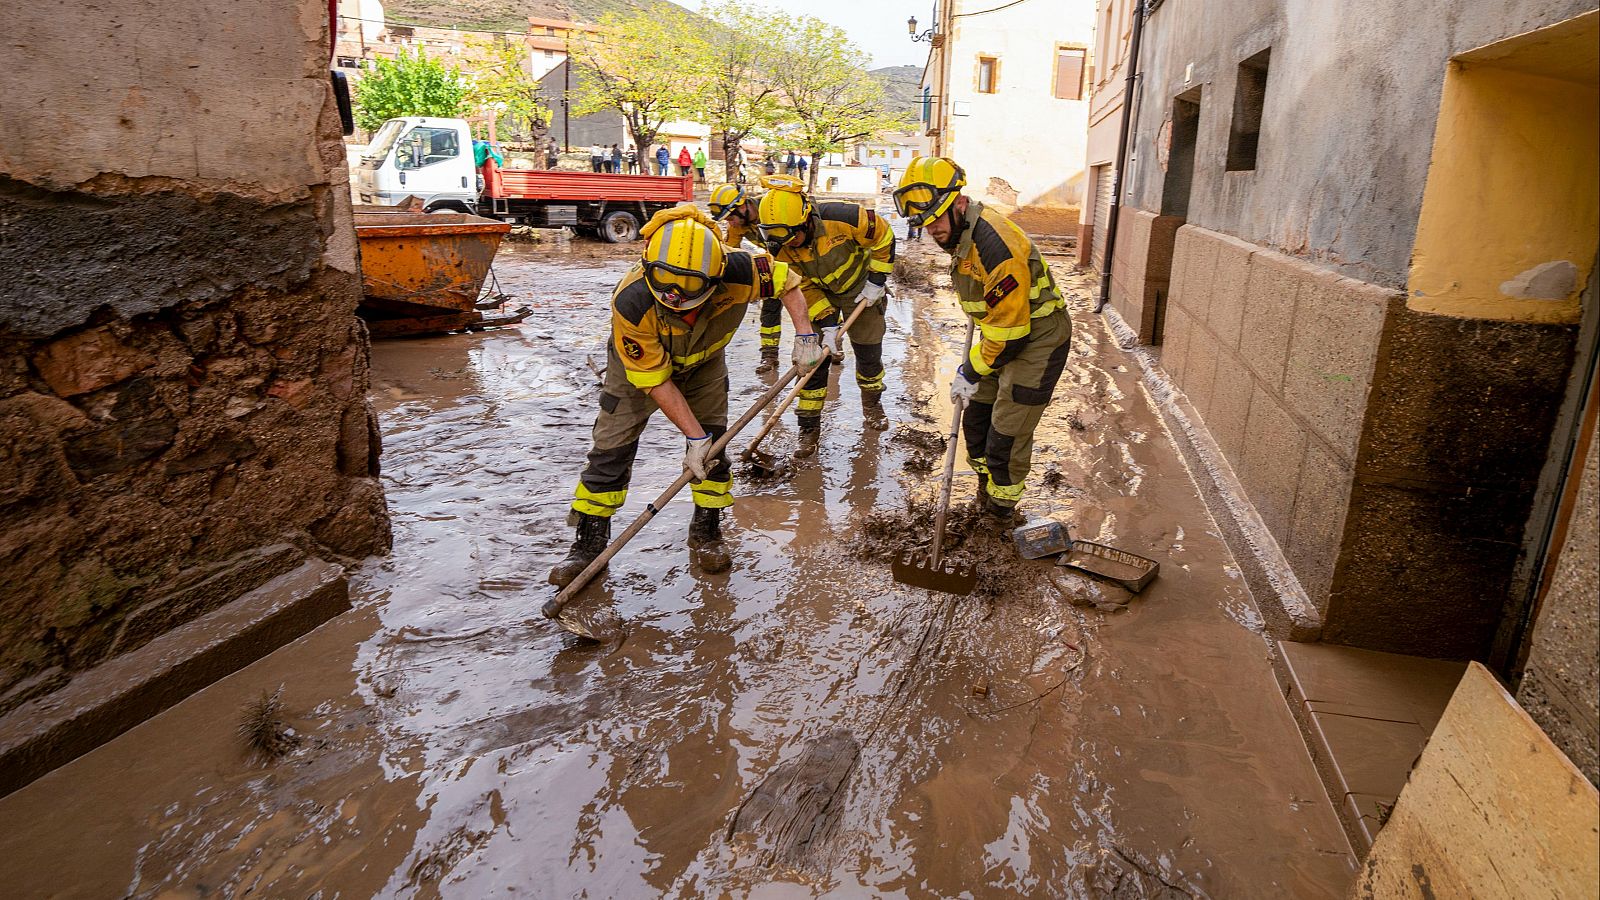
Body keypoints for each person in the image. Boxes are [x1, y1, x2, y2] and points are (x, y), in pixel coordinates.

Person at [548, 206, 827, 585]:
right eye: (666, 282)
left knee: (714, 449)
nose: (676, 295)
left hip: (705, 363)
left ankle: (706, 532)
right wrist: (693, 437)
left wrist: (805, 334)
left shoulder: (739, 269)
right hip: (638, 374)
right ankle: (588, 545)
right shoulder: (631, 302)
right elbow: (656, 381)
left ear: (714, 276)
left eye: (690, 286)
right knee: (611, 450)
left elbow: (789, 282)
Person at [892, 157, 1069, 525]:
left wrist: (971, 369)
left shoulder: (995, 247)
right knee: (976, 422)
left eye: (937, 219)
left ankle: (1000, 514)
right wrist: (976, 366)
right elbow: (995, 320)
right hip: (1001, 336)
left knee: (1006, 433)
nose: (932, 230)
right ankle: (983, 493)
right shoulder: (961, 236)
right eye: (924, 224)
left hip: (1036, 340)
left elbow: (1013, 335)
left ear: (959, 203)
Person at [755, 174, 896, 455]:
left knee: (869, 356)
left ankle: (872, 407)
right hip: (819, 293)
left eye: (794, 236)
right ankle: (808, 429)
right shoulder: (778, 245)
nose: (791, 244)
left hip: (861, 290)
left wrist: (877, 281)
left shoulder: (846, 217)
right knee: (811, 363)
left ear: (807, 219)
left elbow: (885, 237)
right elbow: (799, 284)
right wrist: (827, 323)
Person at [708, 183, 780, 373]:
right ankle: (769, 356)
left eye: (731, 217)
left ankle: (829, 348)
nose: (730, 223)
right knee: (770, 310)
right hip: (776, 268)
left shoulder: (772, 210)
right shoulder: (738, 225)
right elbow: (730, 252)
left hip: (800, 263)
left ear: (742, 206)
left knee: (815, 310)